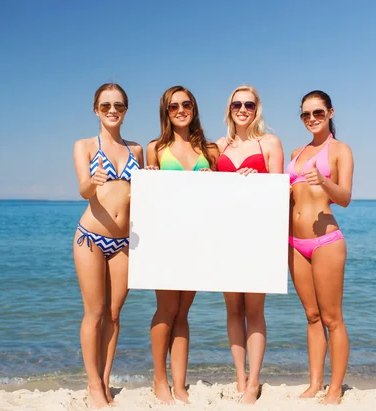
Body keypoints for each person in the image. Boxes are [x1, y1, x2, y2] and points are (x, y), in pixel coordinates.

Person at [145, 85, 219, 404]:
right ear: (165, 111)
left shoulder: (210, 150)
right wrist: (148, 177)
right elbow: (147, 198)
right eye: (173, 106)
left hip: (197, 239)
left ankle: (179, 384)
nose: (180, 110)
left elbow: (222, 196)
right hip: (165, 238)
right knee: (166, 309)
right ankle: (159, 380)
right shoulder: (155, 149)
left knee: (183, 312)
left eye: (185, 104)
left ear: (194, 107)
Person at [72, 83, 143, 408]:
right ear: (96, 110)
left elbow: (142, 195)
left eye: (118, 106)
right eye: (105, 106)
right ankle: (93, 385)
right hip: (90, 237)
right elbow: (84, 191)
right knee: (95, 313)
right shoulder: (85, 146)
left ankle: (105, 379)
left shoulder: (137, 150)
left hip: (125, 241)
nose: (112, 111)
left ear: (125, 110)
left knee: (114, 314)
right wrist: (92, 182)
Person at [215, 85, 284, 403]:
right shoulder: (218, 146)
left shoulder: (269, 142)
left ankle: (254, 380)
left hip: (259, 236)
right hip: (227, 235)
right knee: (233, 310)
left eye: (249, 104)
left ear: (257, 109)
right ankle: (239, 377)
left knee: (254, 310)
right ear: (229, 109)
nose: (243, 109)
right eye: (237, 104)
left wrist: (256, 181)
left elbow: (279, 190)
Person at [286, 90, 354, 404]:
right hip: (295, 242)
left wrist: (323, 181)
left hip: (325, 240)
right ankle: (315, 383)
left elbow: (345, 198)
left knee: (332, 318)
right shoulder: (296, 152)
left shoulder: (340, 150)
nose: (312, 119)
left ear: (330, 113)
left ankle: (336, 388)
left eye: (318, 113)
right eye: (306, 114)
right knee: (311, 316)